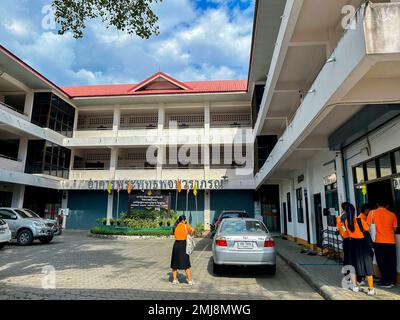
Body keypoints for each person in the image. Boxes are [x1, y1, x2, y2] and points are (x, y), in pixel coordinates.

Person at [344, 203, 376, 296]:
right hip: (362, 246)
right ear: (354, 211)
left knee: (353, 266)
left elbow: (345, 232)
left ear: (346, 212)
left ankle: (355, 287)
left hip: (352, 245)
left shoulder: (345, 222)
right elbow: (368, 229)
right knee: (367, 267)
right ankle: (371, 289)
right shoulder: (360, 220)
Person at [367, 201, 398, 288]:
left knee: (382, 262)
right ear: (387, 205)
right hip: (391, 242)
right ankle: (392, 281)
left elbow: (369, 228)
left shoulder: (371, 213)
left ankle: (386, 281)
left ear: (377, 204)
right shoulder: (392, 214)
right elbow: (395, 229)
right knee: (391, 262)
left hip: (378, 242)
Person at [170, 215, 194, 285]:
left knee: (174, 263)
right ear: (184, 220)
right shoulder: (186, 226)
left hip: (176, 245)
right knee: (186, 263)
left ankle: (174, 280)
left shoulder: (175, 226)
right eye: (185, 220)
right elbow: (192, 230)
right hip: (183, 245)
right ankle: (189, 281)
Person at [337, 202, 351, 267]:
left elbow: (341, 229)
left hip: (345, 238)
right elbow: (345, 229)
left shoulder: (339, 218)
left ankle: (346, 270)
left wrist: (343, 235)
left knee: (346, 256)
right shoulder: (349, 217)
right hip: (350, 238)